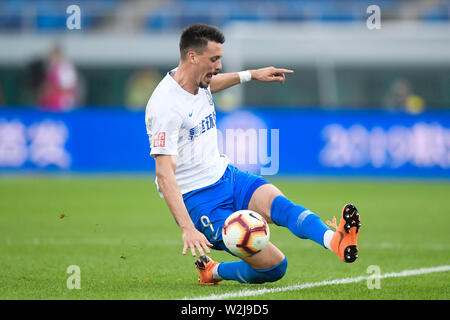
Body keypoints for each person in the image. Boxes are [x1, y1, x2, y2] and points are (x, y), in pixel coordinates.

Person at [145, 24, 361, 285]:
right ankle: (213, 272)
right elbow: (164, 174)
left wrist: (253, 74)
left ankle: (334, 241)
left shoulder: (198, 81)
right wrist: (187, 228)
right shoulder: (165, 106)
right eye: (214, 59)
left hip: (227, 176)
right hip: (199, 200)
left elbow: (211, 85)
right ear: (193, 57)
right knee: (275, 267)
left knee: (283, 208)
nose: (219, 65)